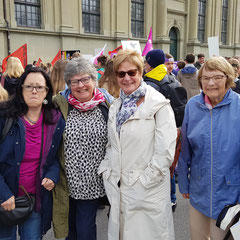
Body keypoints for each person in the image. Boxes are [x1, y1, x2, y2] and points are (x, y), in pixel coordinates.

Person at [99, 49, 177, 240]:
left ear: (141, 73)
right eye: (121, 73)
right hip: (120, 188)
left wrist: (142, 183)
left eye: (132, 72)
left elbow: (165, 153)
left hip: (147, 192)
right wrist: (107, 169)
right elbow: (111, 144)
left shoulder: (158, 105)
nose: (127, 78)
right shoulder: (116, 105)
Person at [178, 56, 240, 239]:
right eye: (205, 78)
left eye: (217, 77)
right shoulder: (193, 106)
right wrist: (183, 181)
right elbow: (185, 148)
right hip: (199, 190)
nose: (211, 83)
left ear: (228, 78)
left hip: (230, 194)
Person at [0, 67, 65, 239]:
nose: (34, 91)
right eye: (29, 86)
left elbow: (55, 157)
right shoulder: (4, 116)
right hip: (4, 199)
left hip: (34, 199)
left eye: (39, 87)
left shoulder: (55, 120)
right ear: (21, 89)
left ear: (47, 92)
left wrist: (52, 176)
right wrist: (3, 194)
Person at [52, 57, 110, 240]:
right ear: (68, 84)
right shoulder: (59, 105)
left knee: (85, 228)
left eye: (85, 79)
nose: (81, 85)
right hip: (65, 181)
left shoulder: (107, 105)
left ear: (94, 80)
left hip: (93, 183)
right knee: (68, 230)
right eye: (75, 81)